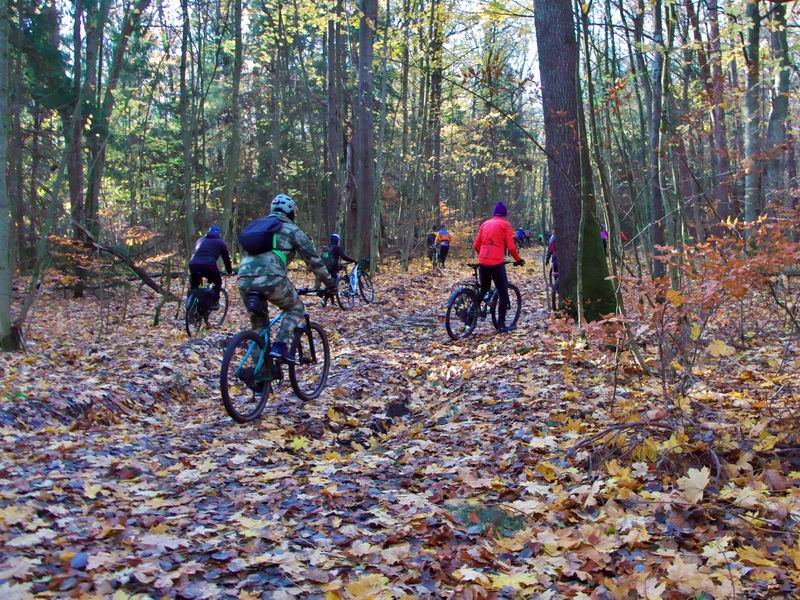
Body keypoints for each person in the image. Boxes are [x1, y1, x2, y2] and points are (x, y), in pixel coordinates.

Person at [237, 194, 335, 364]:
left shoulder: (259, 228)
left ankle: (261, 378)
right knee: (295, 307)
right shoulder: (292, 229)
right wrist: (330, 284)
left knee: (259, 328)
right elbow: (314, 261)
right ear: (291, 212)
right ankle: (281, 345)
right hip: (272, 278)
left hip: (244, 278)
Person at [473, 202, 525, 333]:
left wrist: (484, 256)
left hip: (483, 262)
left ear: (494, 213)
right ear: (505, 215)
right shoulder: (505, 225)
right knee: (503, 292)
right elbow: (512, 247)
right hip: (496, 264)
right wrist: (518, 260)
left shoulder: (485, 224)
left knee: (484, 289)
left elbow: (476, 245)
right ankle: (501, 326)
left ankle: (472, 310)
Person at [189, 224, 233, 309]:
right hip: (208, 265)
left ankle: (192, 304)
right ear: (218, 234)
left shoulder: (200, 240)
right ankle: (215, 302)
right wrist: (229, 271)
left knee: (197, 283)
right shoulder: (220, 242)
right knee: (218, 282)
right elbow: (226, 259)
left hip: (193, 264)